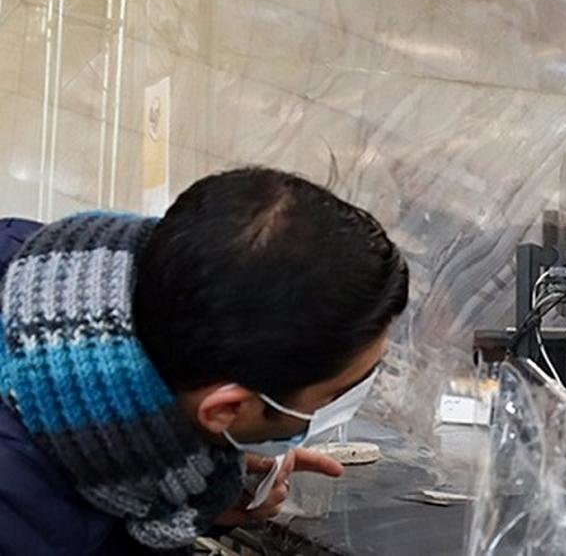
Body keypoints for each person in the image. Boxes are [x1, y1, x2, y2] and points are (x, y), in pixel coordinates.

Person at [0, 167, 409, 552]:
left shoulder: (40, 269)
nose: (349, 402)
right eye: (335, 395)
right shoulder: (24, 525)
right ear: (226, 410)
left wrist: (189, 486)